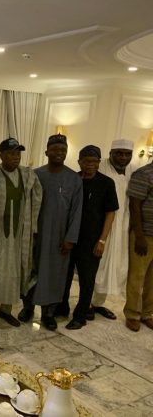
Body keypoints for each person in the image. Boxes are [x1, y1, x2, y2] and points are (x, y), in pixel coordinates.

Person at [18, 134, 82, 331]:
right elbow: (25, 205)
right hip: (34, 235)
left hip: (59, 238)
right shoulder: (35, 175)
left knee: (55, 274)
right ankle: (27, 308)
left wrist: (70, 238)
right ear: (46, 152)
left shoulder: (74, 179)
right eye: (55, 149)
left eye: (63, 150)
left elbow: (77, 211)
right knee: (30, 271)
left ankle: (48, 313)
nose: (59, 153)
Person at [0, 138, 42, 329]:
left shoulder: (28, 175)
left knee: (15, 274)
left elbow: (37, 200)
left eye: (18, 153)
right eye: (11, 153)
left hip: (19, 237)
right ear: (1, 155)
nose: (15, 157)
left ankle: (5, 311)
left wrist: (33, 229)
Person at [60, 145, 118, 330]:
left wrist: (102, 240)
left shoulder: (106, 183)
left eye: (94, 161)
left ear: (99, 162)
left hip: (91, 240)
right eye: (86, 161)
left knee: (87, 280)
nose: (90, 164)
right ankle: (62, 307)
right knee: (65, 276)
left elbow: (110, 213)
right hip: (70, 237)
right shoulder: (73, 180)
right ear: (79, 162)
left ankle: (81, 315)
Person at [91, 139, 134, 320]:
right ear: (111, 153)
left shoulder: (133, 171)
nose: (123, 157)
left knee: (114, 266)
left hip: (122, 226)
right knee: (96, 265)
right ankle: (85, 303)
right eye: (119, 153)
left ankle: (97, 304)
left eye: (127, 154)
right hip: (101, 225)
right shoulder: (100, 167)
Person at [125, 160, 153, 332]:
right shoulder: (144, 174)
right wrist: (139, 236)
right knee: (137, 276)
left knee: (152, 279)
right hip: (144, 235)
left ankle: (147, 313)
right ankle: (132, 314)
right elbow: (134, 206)